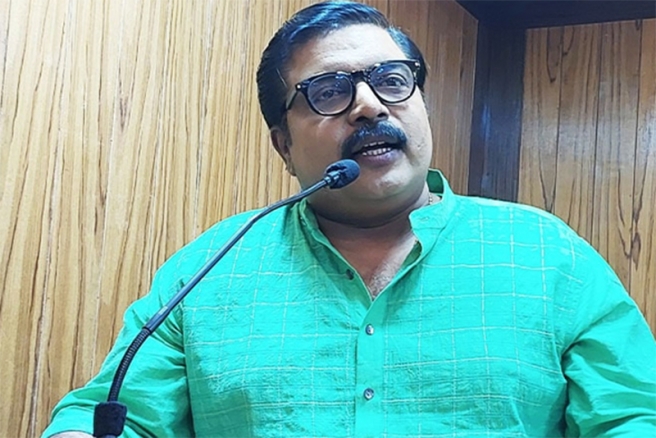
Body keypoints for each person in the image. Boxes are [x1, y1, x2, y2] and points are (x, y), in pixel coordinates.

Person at [44, 1, 656, 437]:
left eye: (392, 81)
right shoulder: (211, 265)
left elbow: (633, 415)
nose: (369, 105)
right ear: (284, 145)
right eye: (330, 91)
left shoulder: (548, 254)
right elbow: (117, 417)